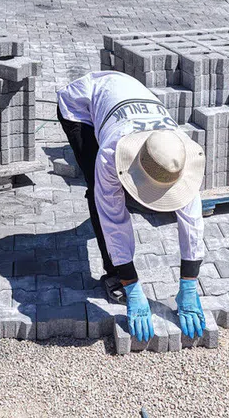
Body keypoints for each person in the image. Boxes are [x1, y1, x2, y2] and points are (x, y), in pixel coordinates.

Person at [57, 71, 208, 342]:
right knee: (99, 193)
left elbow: (193, 220)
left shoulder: (178, 151)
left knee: (121, 191)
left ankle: (124, 265)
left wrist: (189, 283)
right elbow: (112, 217)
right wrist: (132, 284)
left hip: (126, 98)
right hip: (81, 108)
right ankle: (114, 274)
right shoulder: (110, 154)